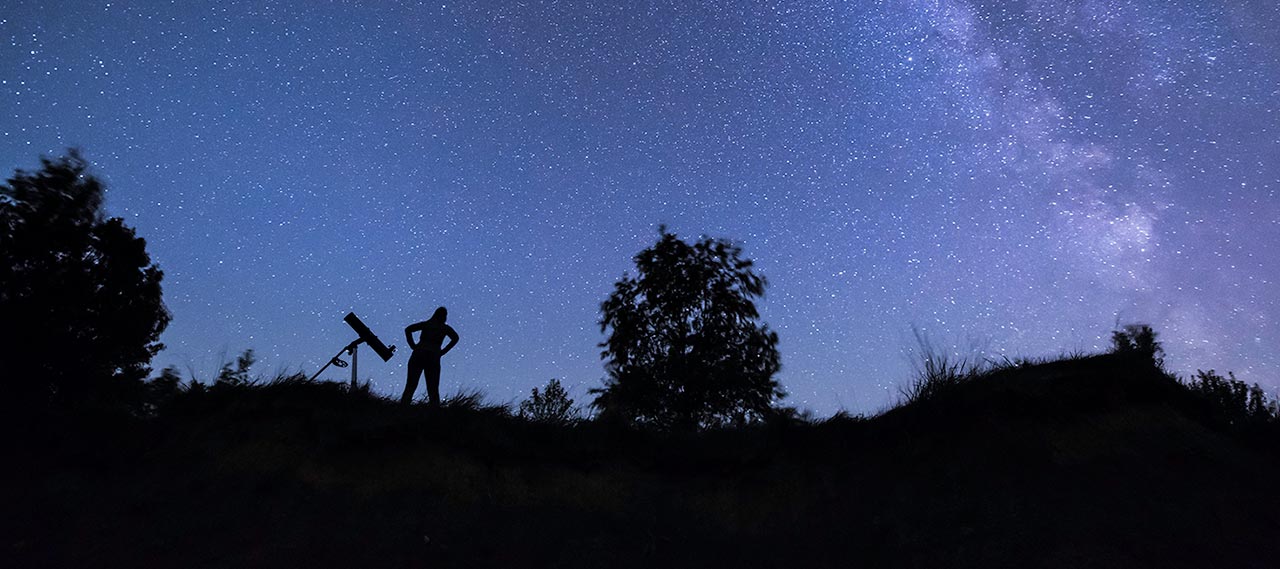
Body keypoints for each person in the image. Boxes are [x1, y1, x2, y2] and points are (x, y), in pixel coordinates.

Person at [401, 307, 459, 406]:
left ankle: (403, 407)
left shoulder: (427, 325)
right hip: (433, 356)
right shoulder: (444, 328)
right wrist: (443, 351)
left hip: (420, 354)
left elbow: (408, 329)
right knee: (432, 387)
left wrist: (413, 346)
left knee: (411, 385)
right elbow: (455, 338)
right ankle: (434, 412)